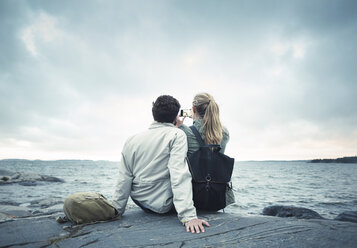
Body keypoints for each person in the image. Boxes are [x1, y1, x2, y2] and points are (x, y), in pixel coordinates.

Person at [113, 95, 210, 234]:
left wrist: (117, 209)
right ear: (176, 116)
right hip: (163, 205)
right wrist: (188, 216)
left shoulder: (132, 139)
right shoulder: (177, 135)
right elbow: (179, 173)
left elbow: (124, 177)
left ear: (154, 114)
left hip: (140, 202)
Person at [176, 92, 235, 207]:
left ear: (193, 109)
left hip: (193, 196)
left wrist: (178, 126)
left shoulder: (185, 132)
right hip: (217, 196)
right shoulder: (224, 133)